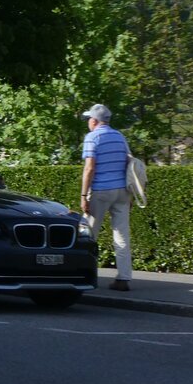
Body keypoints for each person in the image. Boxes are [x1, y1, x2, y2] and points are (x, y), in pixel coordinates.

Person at [80, 103, 133, 291]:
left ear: (94, 121)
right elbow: (130, 164)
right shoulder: (120, 136)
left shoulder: (92, 137)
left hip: (101, 191)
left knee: (88, 234)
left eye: (88, 119)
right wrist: (132, 193)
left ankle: (84, 274)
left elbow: (89, 168)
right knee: (121, 235)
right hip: (122, 191)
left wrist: (84, 195)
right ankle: (124, 278)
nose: (87, 122)